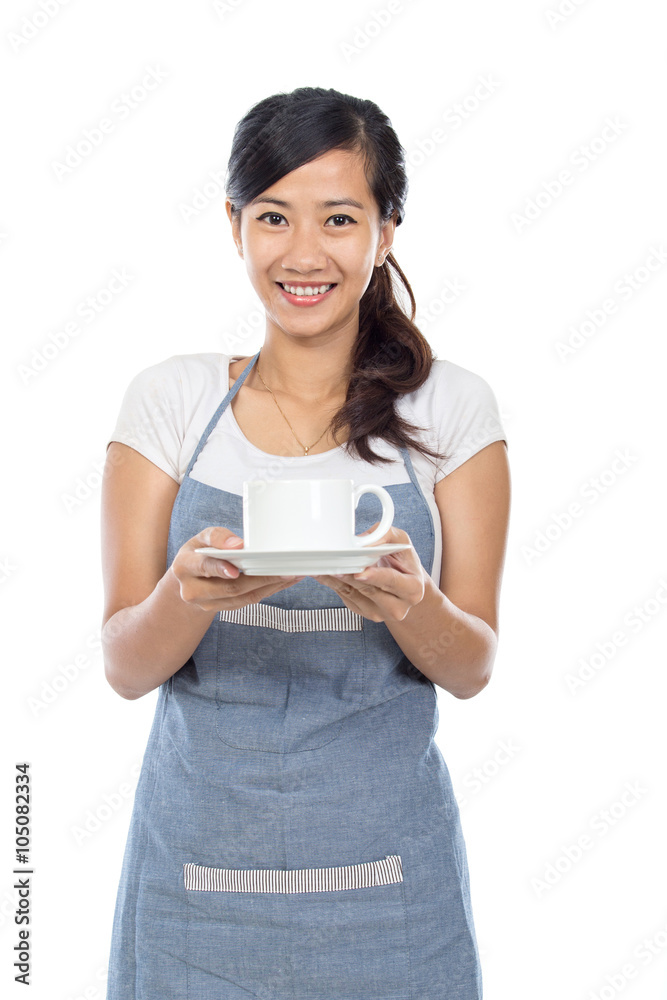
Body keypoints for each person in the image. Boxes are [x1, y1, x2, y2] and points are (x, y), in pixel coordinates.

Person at [101, 85, 511, 1000]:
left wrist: (415, 609)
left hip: (389, 889)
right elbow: (125, 666)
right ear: (234, 226)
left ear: (387, 228)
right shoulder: (171, 402)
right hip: (195, 885)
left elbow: (473, 663)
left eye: (338, 218)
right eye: (273, 217)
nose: (302, 253)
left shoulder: (450, 409)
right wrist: (186, 597)